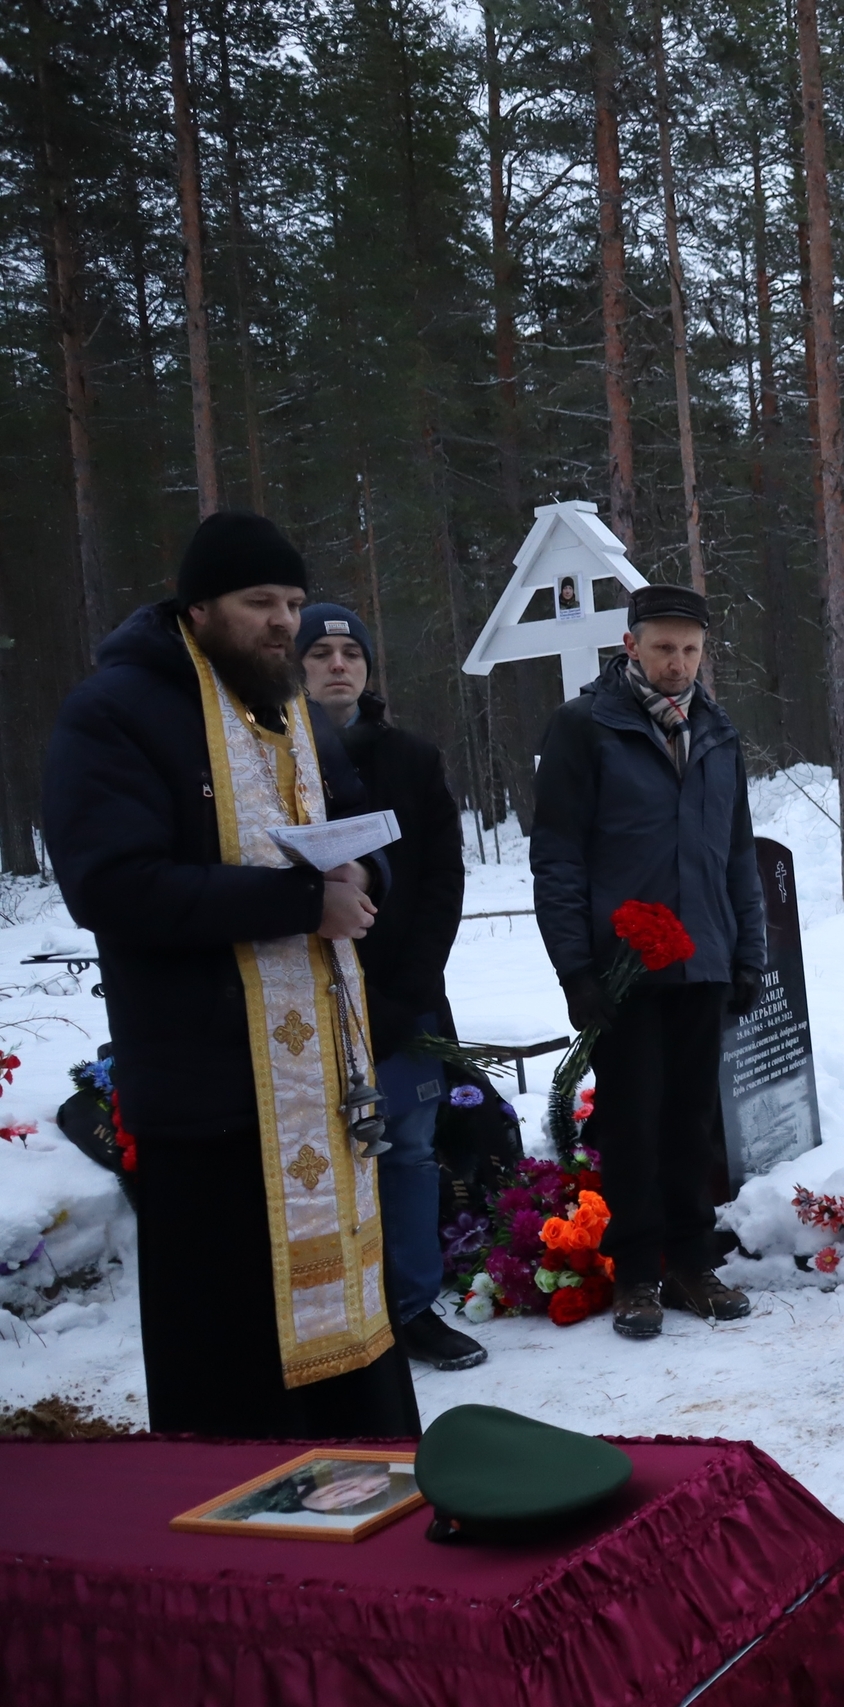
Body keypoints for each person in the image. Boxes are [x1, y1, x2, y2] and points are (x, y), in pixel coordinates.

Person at [43, 511, 419, 1437]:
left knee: (348, 1353)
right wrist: (301, 903)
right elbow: (113, 886)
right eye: (261, 603)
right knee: (230, 1361)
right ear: (199, 605)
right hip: (206, 1097)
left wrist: (364, 874)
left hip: (321, 1094)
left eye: (292, 602)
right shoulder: (117, 710)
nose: (285, 623)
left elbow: (365, 821)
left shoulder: (291, 711)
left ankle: (373, 1499)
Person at [533, 582, 767, 1340]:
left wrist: (747, 956)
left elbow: (736, 857)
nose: (678, 662)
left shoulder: (717, 732)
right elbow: (559, 857)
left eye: (691, 649)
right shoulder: (584, 727)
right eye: (663, 646)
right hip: (623, 969)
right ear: (631, 644)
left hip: (702, 958)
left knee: (692, 1121)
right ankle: (637, 1273)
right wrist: (577, 970)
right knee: (631, 1124)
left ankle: (693, 1264)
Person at [298, 604, 483, 1372]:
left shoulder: (411, 756)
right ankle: (330, 1312)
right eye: (320, 652)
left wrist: (411, 987)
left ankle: (410, 1305)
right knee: (314, 1157)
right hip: (302, 996)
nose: (338, 664)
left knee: (406, 1148)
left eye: (351, 652)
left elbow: (442, 877)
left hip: (404, 991)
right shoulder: (271, 759)